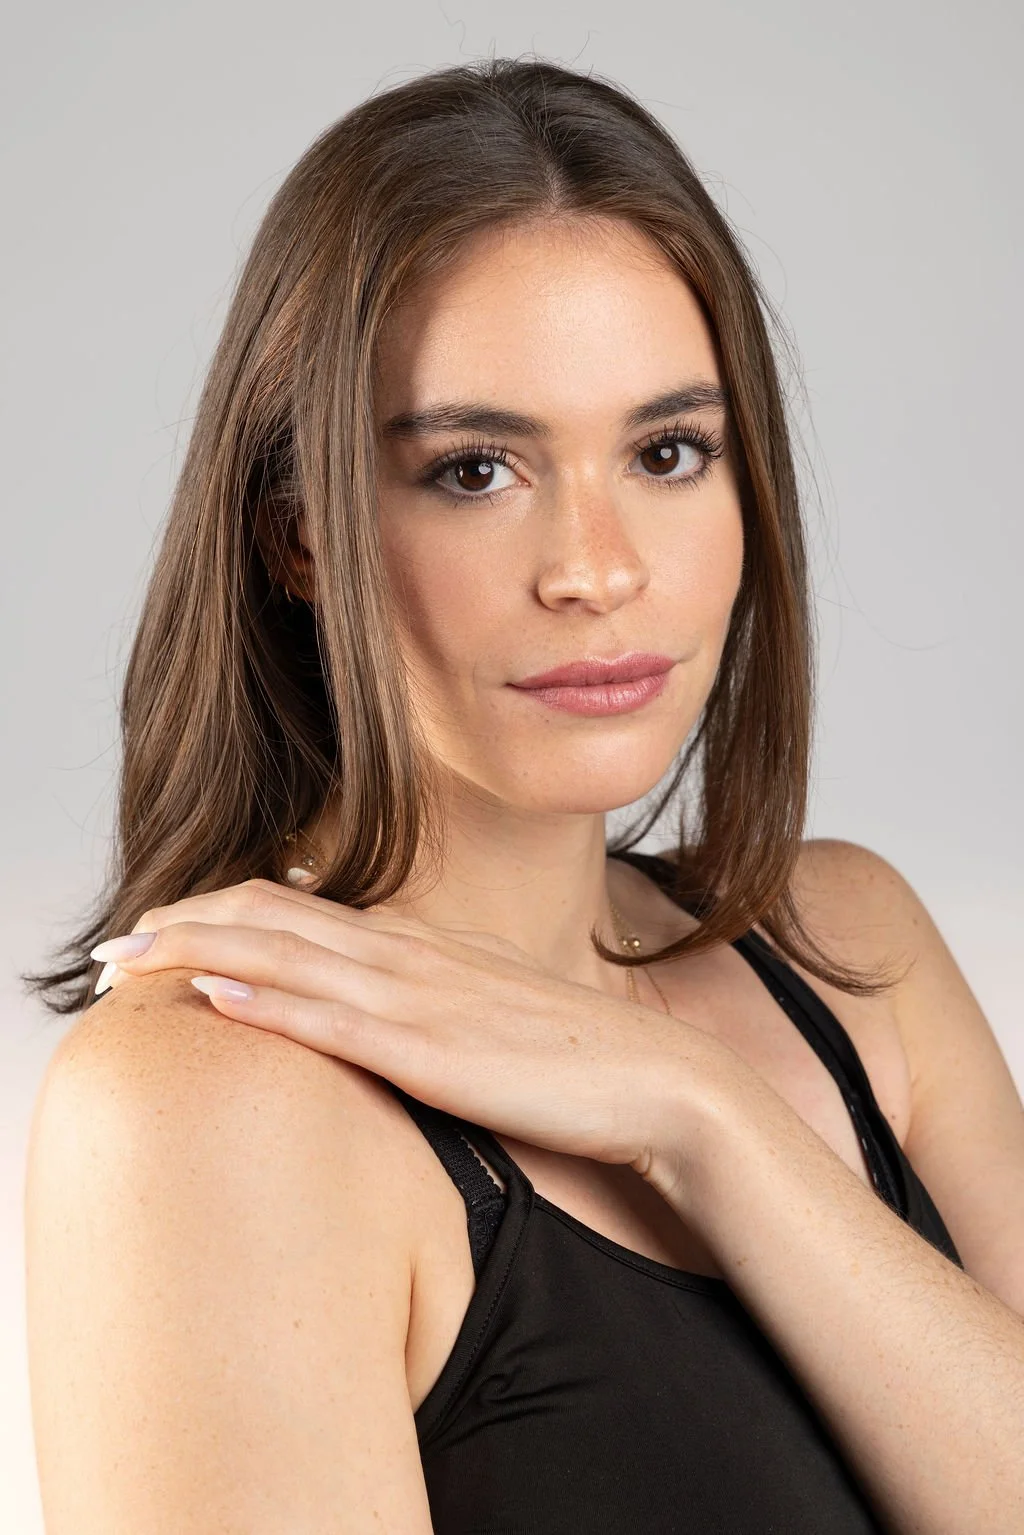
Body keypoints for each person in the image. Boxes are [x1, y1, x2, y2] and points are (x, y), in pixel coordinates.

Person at [22, 56, 1024, 1535]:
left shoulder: (847, 946)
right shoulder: (210, 1102)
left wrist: (698, 1113)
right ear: (299, 535)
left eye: (668, 452)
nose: (598, 570)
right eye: (478, 470)